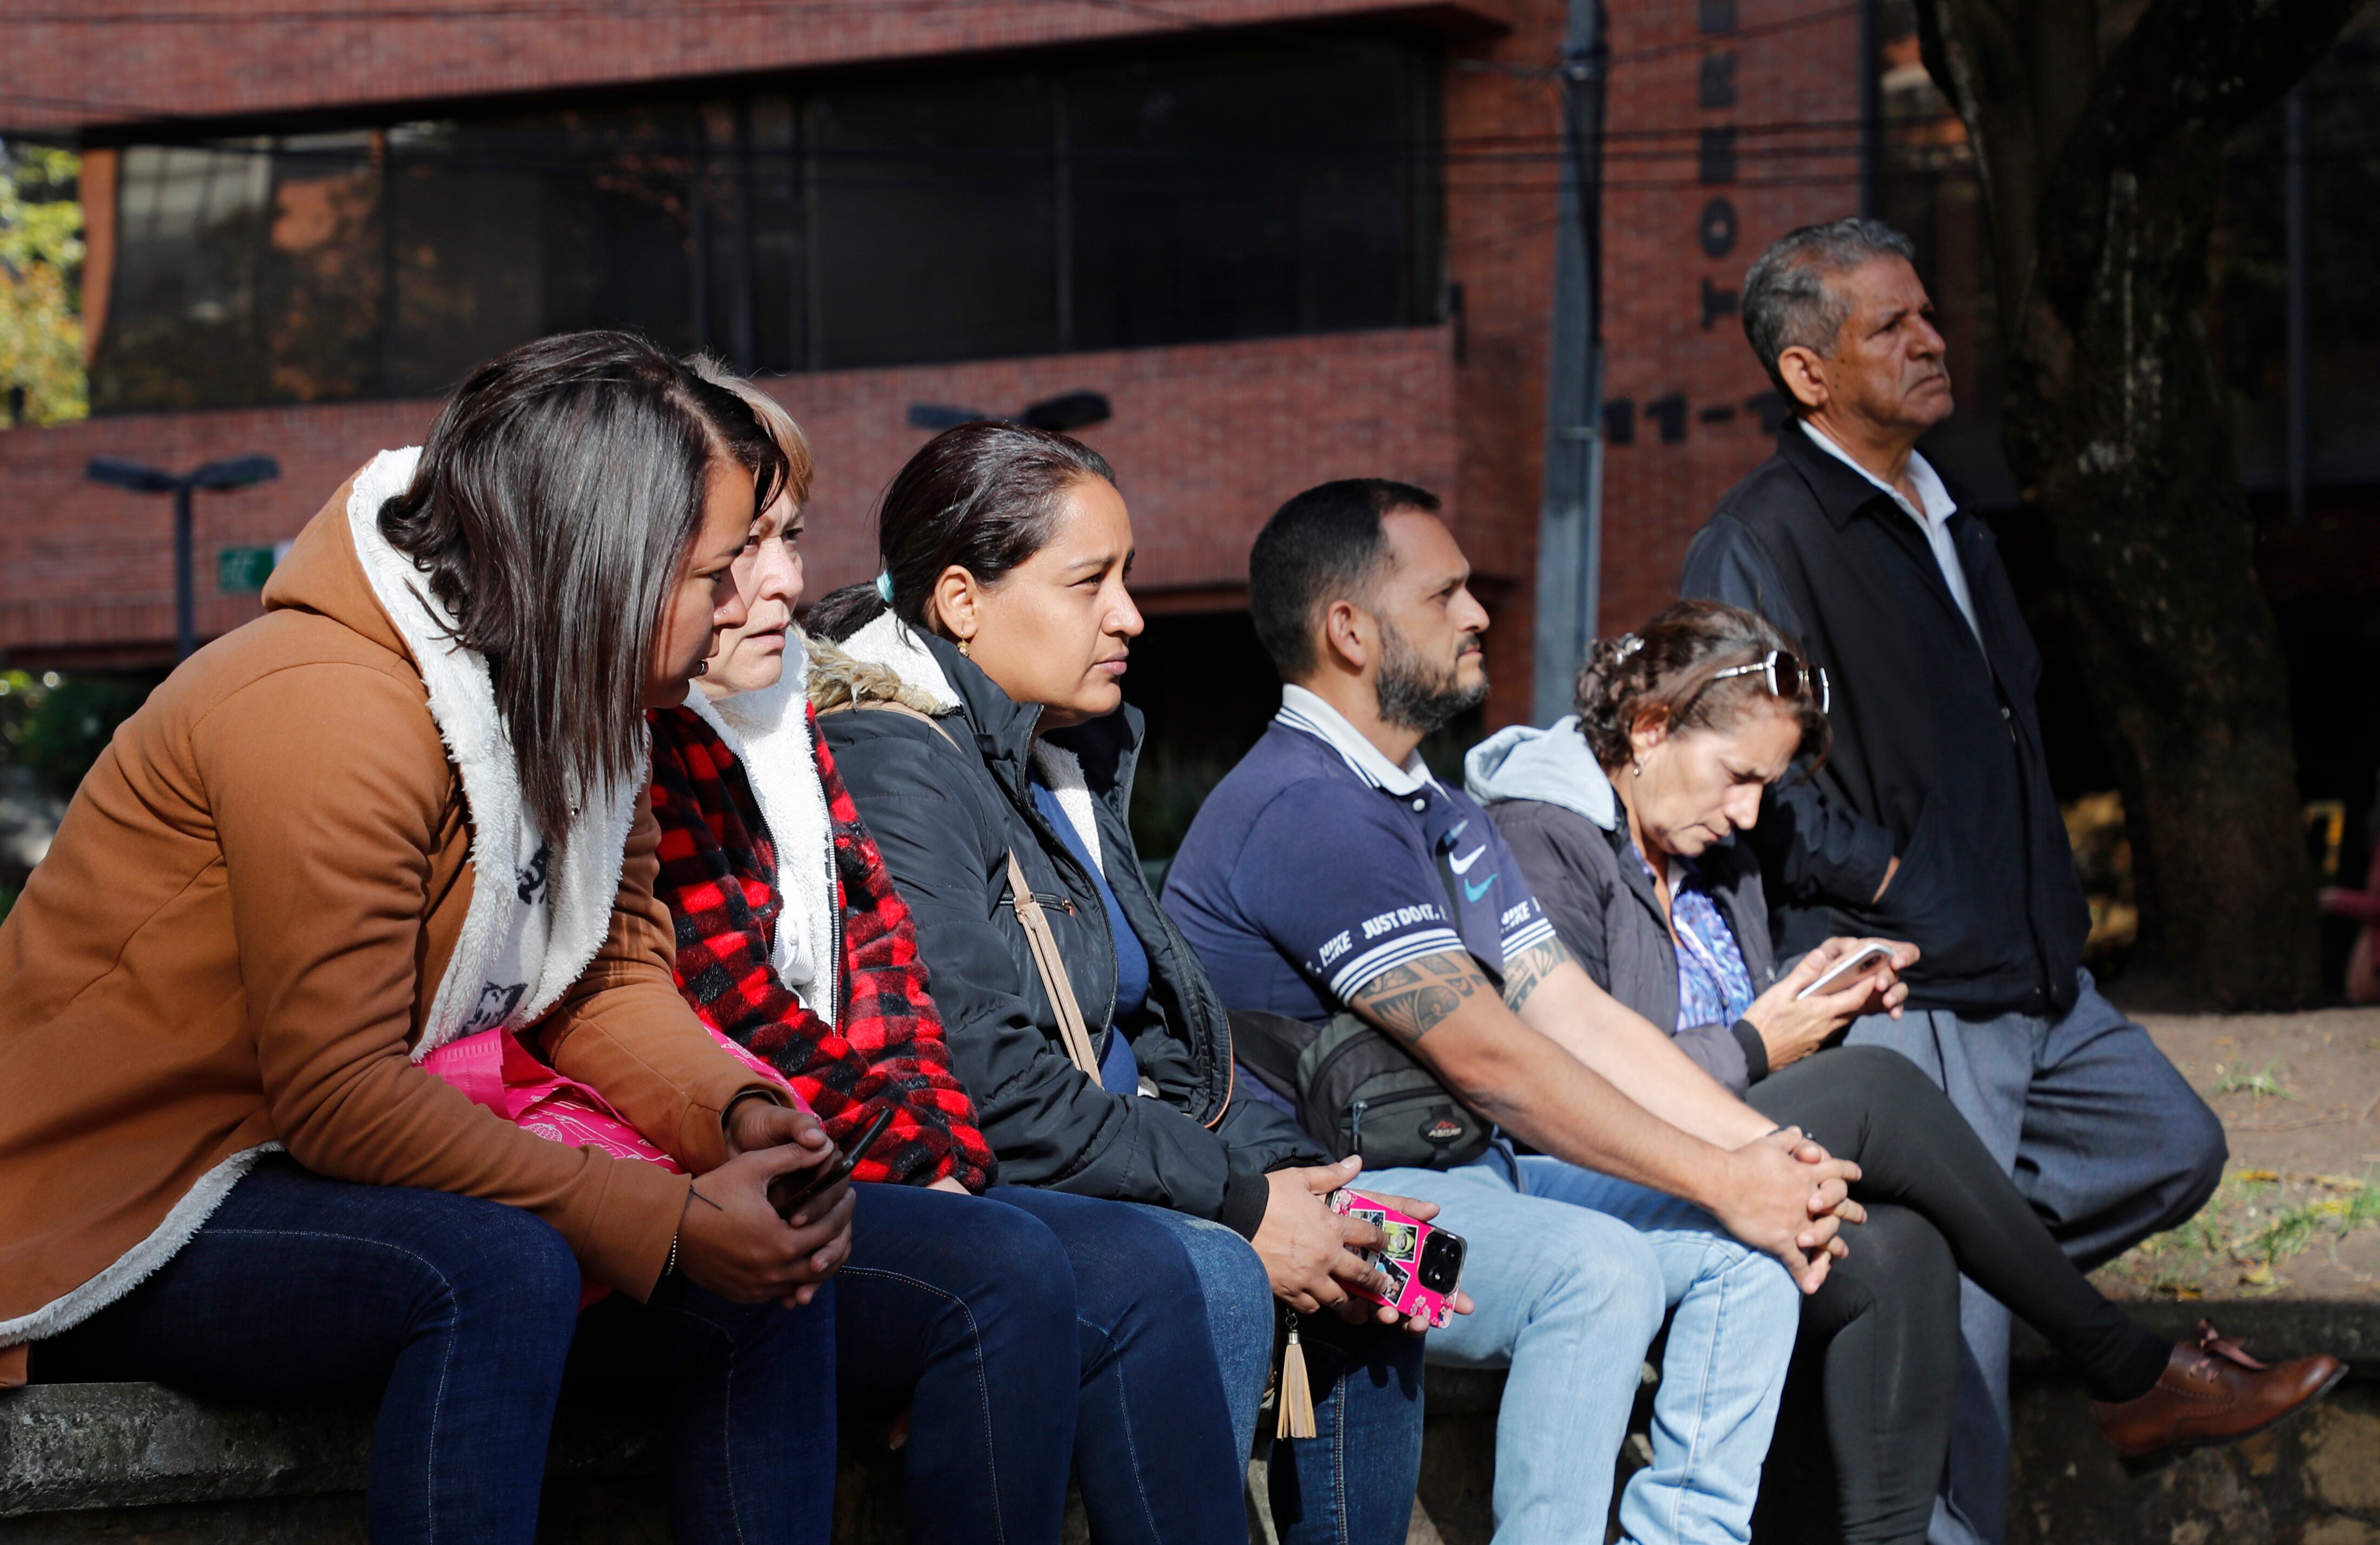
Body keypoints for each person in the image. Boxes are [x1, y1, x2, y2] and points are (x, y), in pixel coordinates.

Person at [1, 332, 852, 1545]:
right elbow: (339, 1093)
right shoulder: (327, 706)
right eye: (717, 572)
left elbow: (600, 982)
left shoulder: (577, 697)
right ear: (604, 564)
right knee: (498, 1269)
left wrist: (740, 1118)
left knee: (771, 1286)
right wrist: (661, 1221)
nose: (745, 603)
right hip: (124, 1206)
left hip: (298, 1171)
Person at [1466, 599, 2345, 1545]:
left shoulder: (1713, 853)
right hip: (1592, 1171)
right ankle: (2125, 1367)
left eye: (1766, 785)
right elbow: (1563, 1080)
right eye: (1737, 777)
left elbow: (1735, 1026)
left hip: (1723, 1154)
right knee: (1876, 1094)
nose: (1750, 813)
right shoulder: (1538, 837)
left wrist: (1818, 998)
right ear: (1648, 729)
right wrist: (1765, 1042)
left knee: (1901, 1244)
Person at [1163, 478, 1867, 1545]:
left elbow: (1572, 1015)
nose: (1477, 612)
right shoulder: (1304, 811)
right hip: (1347, 1229)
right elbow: (1494, 1061)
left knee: (1741, 1259)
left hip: (1473, 1183)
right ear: (1349, 630)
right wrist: (1718, 1173)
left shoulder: (1432, 809)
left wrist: (1764, 1159)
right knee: (1595, 1272)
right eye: (1444, 592)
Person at [1679, 215, 2230, 1545]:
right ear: (1809, 374)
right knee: (1957, 1365)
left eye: (1929, 315)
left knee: (2173, 1145)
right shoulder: (1759, 536)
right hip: (1910, 978)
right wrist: (1895, 883)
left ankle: (1945, 1256)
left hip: (2036, 968)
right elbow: (1743, 766)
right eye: (1891, 325)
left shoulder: (1949, 513)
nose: (1933, 339)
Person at [806, 423, 1452, 1545]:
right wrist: (1240, 1202)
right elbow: (989, 1085)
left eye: (1130, 578)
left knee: (1393, 1269)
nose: (1130, 617)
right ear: (961, 600)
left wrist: (1295, 1183)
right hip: (997, 1187)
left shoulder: (1062, 756)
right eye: (1089, 582)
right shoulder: (895, 755)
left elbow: (1155, 1053)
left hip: (1110, 1163)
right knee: (1212, 1268)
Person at [647, 365, 1250, 1544]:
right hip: (714, 1183)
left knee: (1147, 1265)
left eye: (790, 536)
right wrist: (948, 1195)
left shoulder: (815, 732)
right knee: (1100, 1266)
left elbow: (898, 1015)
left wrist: (943, 1180)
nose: (786, 577)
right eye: (743, 548)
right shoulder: (870, 741)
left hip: (883, 1170)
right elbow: (734, 1020)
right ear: (964, 603)